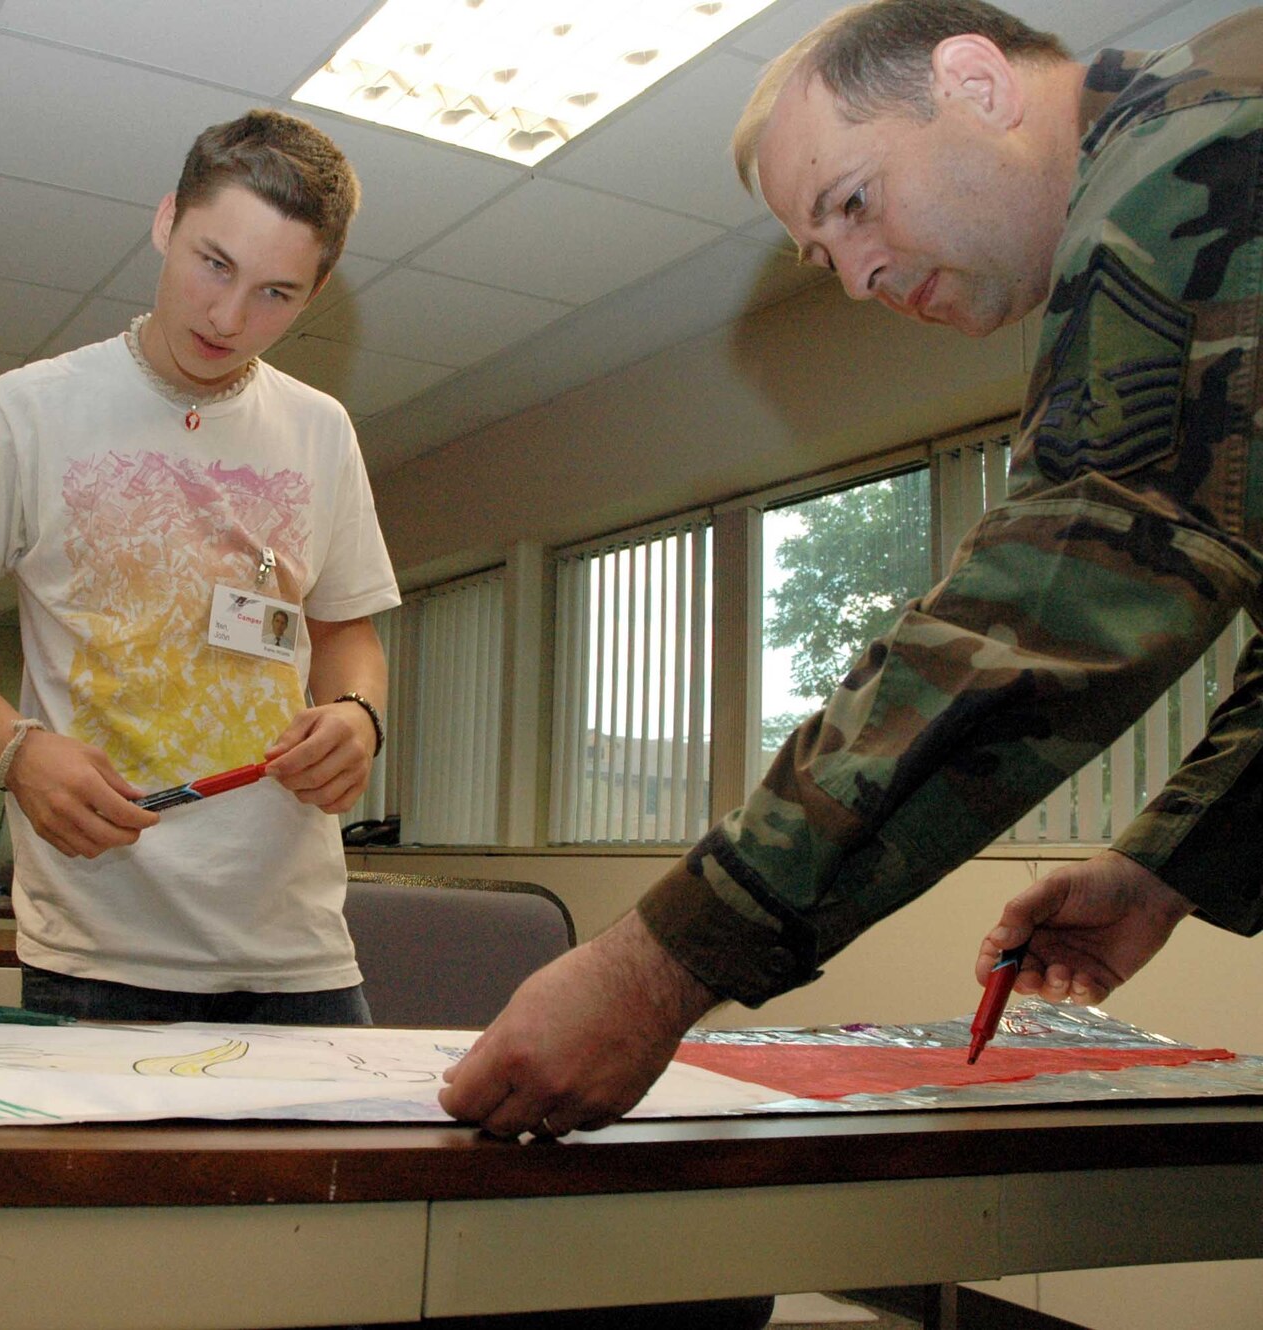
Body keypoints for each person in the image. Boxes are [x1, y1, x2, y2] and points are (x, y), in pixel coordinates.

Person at [441, 0, 1263, 1137]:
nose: (856, 277)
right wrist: (1163, 866)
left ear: (975, 83)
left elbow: (1068, 578)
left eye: (852, 203)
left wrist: (659, 962)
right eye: (822, 253)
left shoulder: (1202, 148)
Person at [0, 110, 398, 1025]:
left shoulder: (322, 431)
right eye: (214, 263)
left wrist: (359, 713)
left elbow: (347, 635)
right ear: (166, 221)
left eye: (276, 294)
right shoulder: (26, 412)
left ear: (314, 293)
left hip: (298, 952)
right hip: (99, 945)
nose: (230, 317)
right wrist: (12, 748)